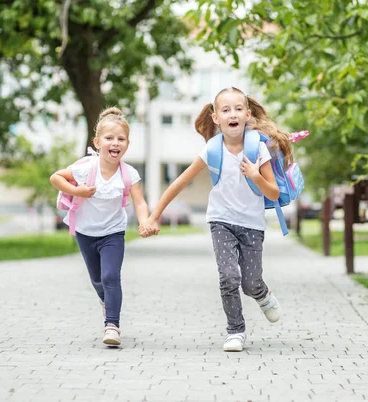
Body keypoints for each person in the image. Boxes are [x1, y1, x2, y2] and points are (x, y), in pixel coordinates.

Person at [140, 87, 291, 352]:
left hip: (252, 225)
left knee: (250, 282)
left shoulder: (258, 147)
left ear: (247, 114)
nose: (232, 113)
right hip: (221, 221)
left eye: (237, 109)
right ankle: (235, 330)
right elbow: (179, 183)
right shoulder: (212, 149)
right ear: (216, 118)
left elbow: (274, 192)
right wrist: (153, 216)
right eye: (225, 109)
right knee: (229, 277)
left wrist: (255, 175)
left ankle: (262, 294)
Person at [50, 107, 151, 346]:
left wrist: (145, 221)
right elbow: (56, 177)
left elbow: (139, 201)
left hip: (113, 233)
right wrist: (77, 191)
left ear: (127, 144)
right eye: (109, 138)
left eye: (121, 139)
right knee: (97, 280)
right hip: (85, 233)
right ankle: (106, 302)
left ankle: (112, 326)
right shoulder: (86, 169)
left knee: (110, 277)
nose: (115, 143)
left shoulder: (129, 174)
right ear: (97, 143)